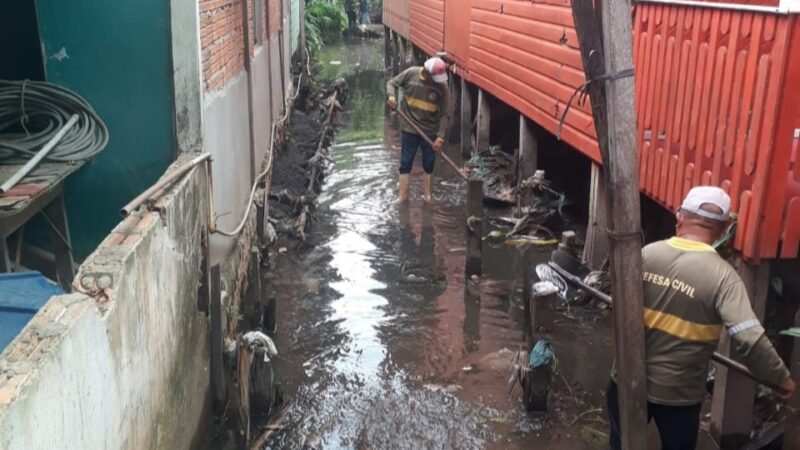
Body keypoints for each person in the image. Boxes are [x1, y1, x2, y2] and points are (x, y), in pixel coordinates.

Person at [606, 186, 796, 450]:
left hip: (625, 382)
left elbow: (617, 307)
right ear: (725, 228)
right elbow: (749, 339)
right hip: (679, 397)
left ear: (680, 216)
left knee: (622, 444)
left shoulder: (645, 255)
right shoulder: (724, 277)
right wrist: (780, 379)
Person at [386, 57, 452, 202]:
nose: (436, 81)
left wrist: (440, 137)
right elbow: (392, 83)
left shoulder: (443, 87)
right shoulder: (411, 74)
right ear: (426, 73)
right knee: (405, 162)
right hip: (410, 127)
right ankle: (402, 196)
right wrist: (392, 96)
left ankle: (427, 196)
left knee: (428, 164)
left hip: (430, 130)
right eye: (434, 78)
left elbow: (445, 114)